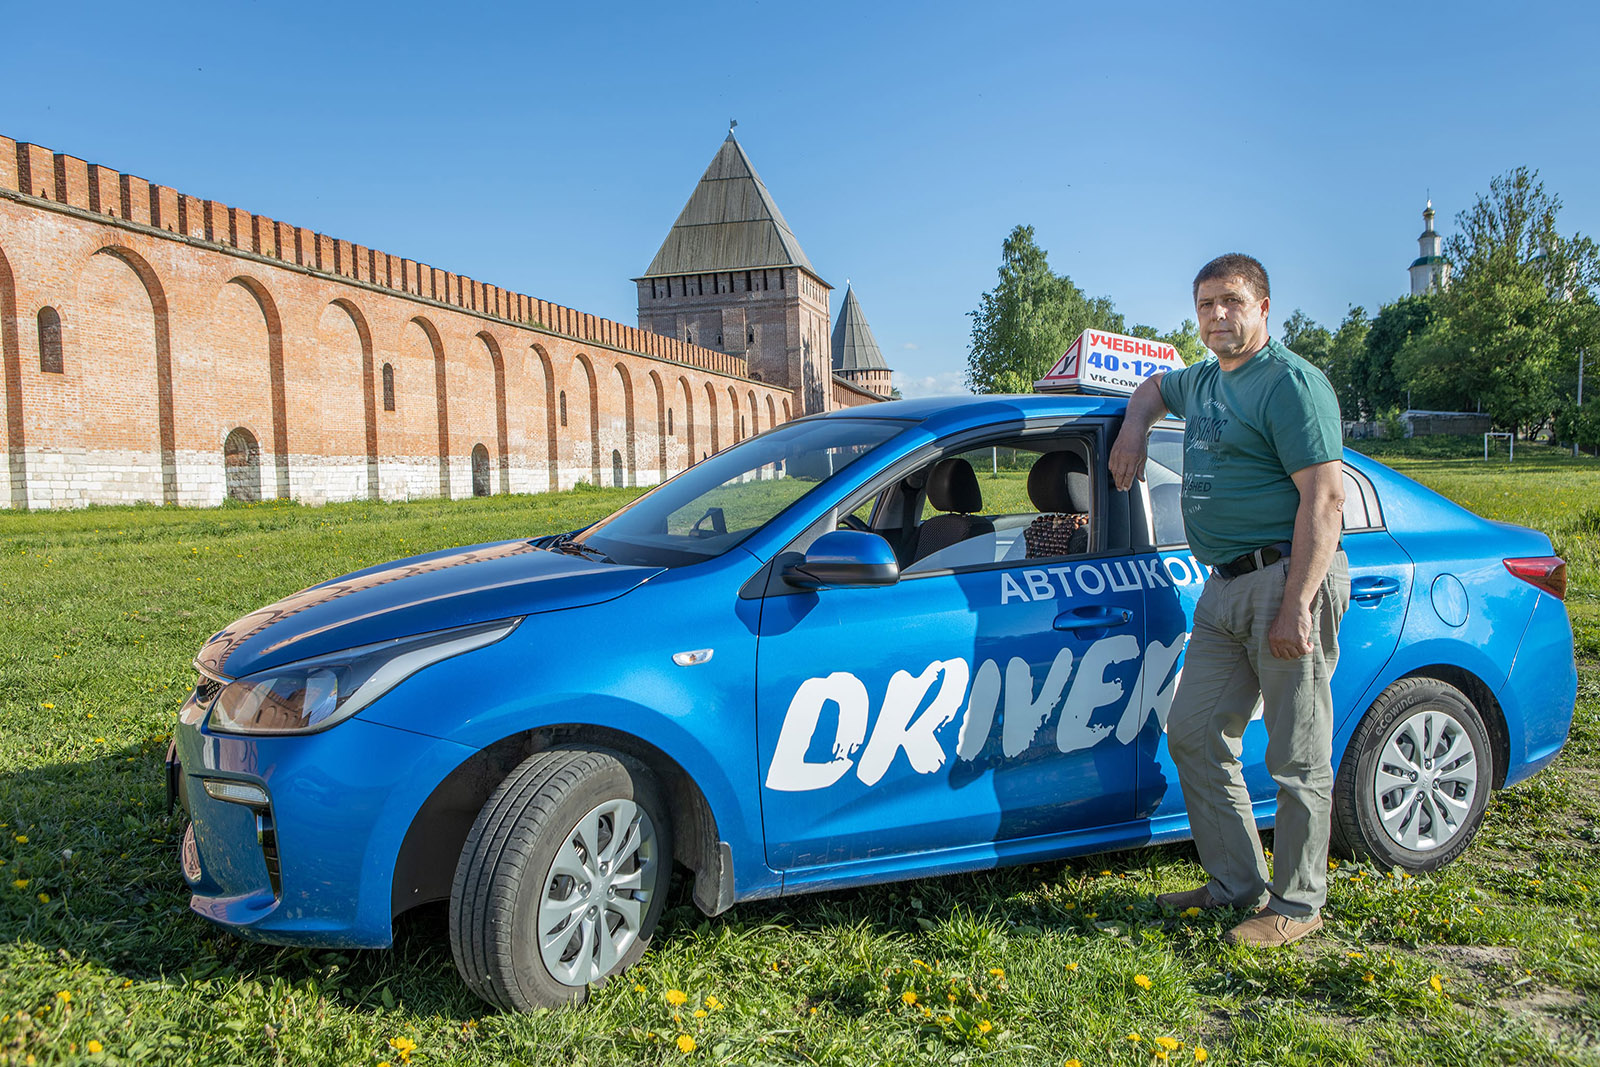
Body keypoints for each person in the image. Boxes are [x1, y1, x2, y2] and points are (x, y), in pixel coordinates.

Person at [1108, 253, 1350, 947]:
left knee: (1297, 754)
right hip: (1223, 586)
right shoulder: (1207, 381)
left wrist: (1297, 603)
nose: (1218, 314)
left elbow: (1325, 500)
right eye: (1207, 303)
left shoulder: (1291, 385)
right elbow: (1153, 385)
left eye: (1233, 301)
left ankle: (1299, 904)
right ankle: (1237, 885)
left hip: (1286, 576)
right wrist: (1134, 425)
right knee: (1193, 732)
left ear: (1264, 307)